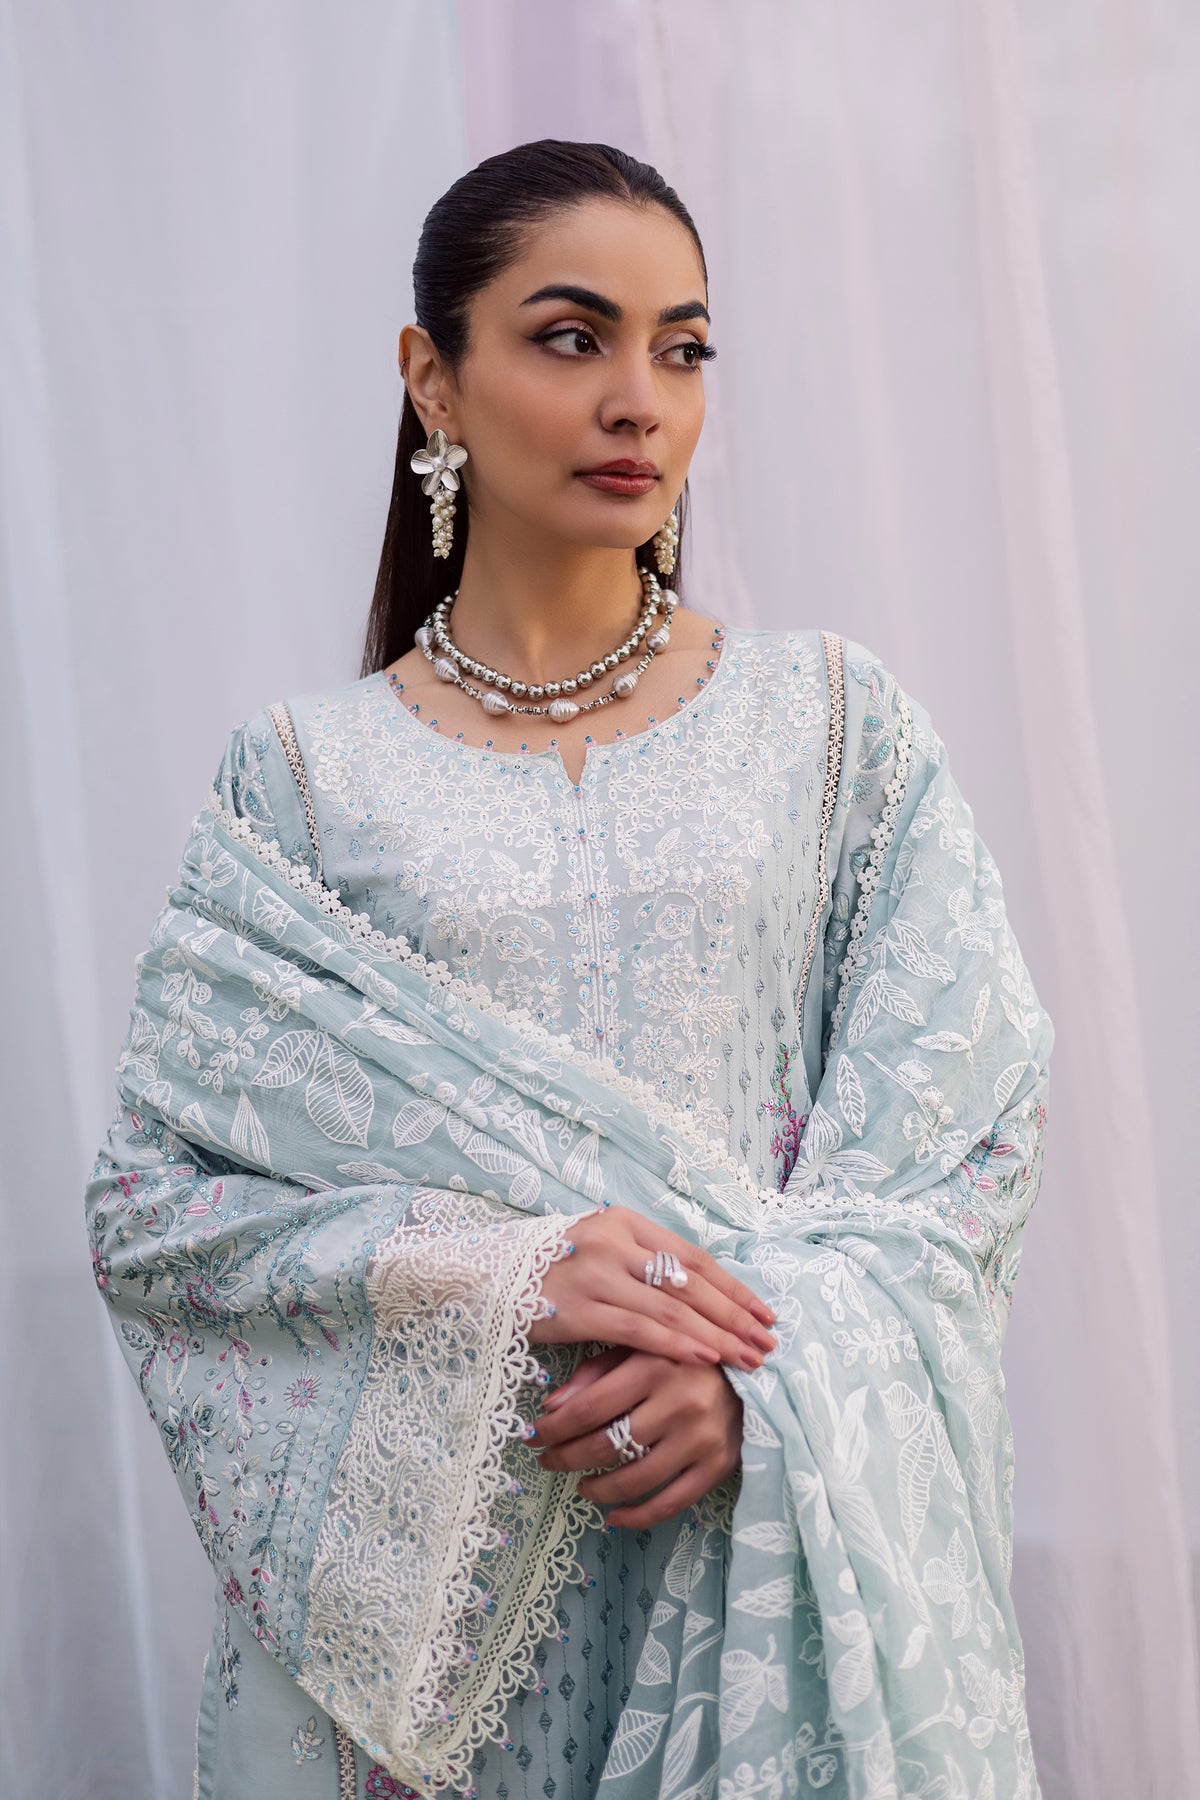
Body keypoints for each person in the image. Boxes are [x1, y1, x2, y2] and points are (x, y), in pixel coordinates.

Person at [85, 139, 1054, 1800]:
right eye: (570, 337)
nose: (638, 401)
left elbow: (969, 1147)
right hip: (446, 1651)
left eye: (682, 349)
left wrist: (766, 1387)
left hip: (755, 1560)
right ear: (432, 379)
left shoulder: (834, 732)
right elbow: (162, 1214)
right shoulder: (302, 780)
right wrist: (507, 1272)